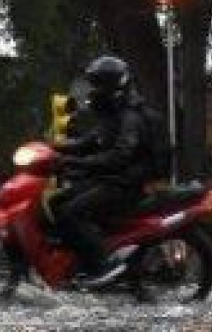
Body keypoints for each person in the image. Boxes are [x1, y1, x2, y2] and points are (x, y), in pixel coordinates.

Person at [50, 56, 157, 287]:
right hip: (110, 179)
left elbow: (120, 156)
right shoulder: (114, 115)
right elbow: (90, 141)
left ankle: (104, 265)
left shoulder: (131, 117)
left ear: (114, 86)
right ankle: (78, 262)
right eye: (94, 84)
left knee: (71, 212)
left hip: (125, 184)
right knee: (56, 202)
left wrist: (78, 163)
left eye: (99, 85)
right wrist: (51, 148)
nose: (94, 91)